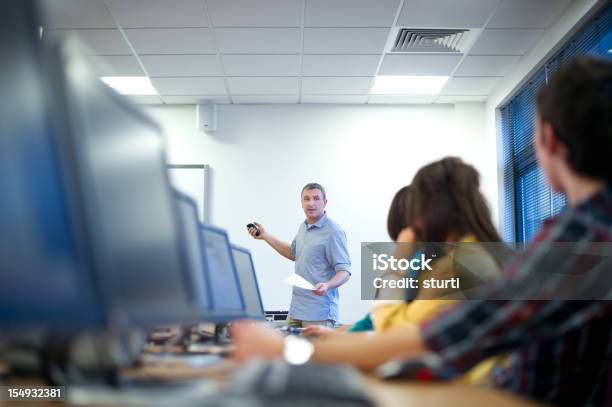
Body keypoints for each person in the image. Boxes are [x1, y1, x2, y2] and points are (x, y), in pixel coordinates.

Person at [233, 57, 612, 406]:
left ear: (548, 140)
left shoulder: (581, 239)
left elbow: (437, 338)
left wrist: (287, 352)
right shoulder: (585, 235)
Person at [248, 183, 350, 328]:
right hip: (296, 310)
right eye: (306, 199)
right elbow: (293, 253)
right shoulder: (303, 227)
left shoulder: (334, 232)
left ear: (325, 202)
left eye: (316, 198)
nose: (311, 203)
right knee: (287, 348)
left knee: (316, 351)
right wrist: (265, 236)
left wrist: (327, 285)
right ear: (301, 203)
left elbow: (344, 272)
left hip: (319, 314)